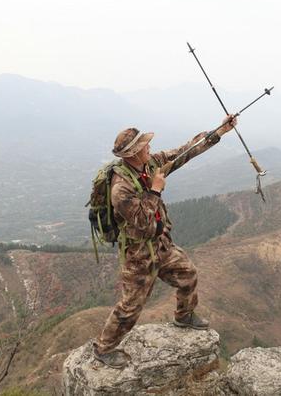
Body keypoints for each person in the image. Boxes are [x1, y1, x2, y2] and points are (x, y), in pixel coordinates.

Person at [93, 116, 238, 368]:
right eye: (145, 146)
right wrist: (155, 190)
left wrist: (219, 131)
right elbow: (144, 223)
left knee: (188, 274)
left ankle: (184, 315)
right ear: (134, 153)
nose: (149, 147)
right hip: (138, 255)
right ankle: (103, 348)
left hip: (161, 245)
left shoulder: (151, 165)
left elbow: (186, 151)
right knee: (130, 307)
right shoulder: (121, 188)